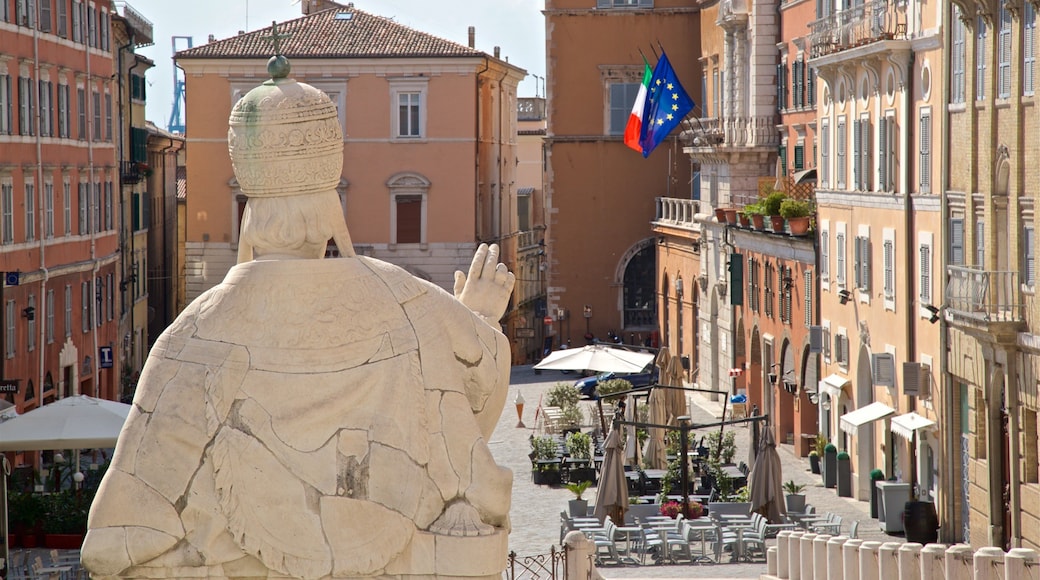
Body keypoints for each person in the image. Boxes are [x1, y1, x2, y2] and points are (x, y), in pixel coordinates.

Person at [83, 53, 514, 580]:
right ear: (329, 206)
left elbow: (115, 540)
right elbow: (476, 397)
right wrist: (481, 318)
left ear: (249, 209)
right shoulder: (407, 301)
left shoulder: (191, 338)